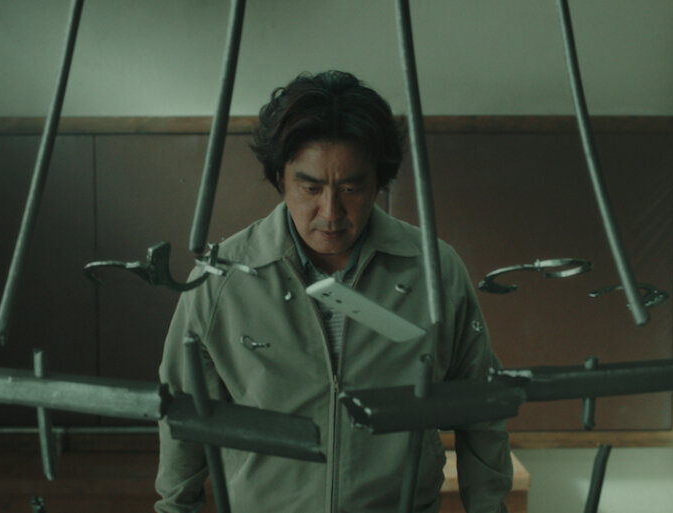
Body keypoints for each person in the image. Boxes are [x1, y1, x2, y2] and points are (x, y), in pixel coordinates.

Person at [155, 70, 513, 513]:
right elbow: (183, 412)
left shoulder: (435, 271)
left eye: (350, 187)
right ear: (280, 178)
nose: (330, 212)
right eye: (310, 187)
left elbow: (481, 408)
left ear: (378, 182)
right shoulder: (221, 279)